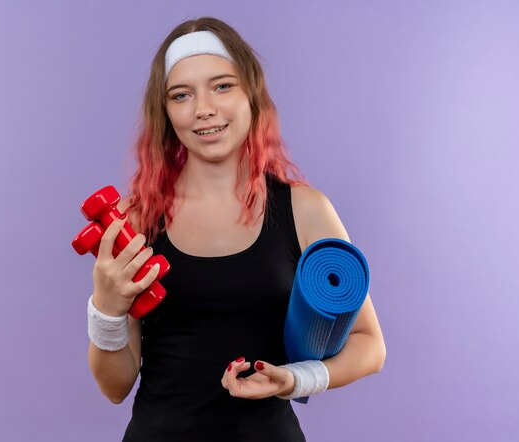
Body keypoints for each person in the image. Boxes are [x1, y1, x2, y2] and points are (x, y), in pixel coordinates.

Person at [86, 17, 386, 441]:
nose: (203, 108)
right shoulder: (135, 222)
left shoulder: (305, 210)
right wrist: (106, 308)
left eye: (222, 86)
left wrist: (296, 379)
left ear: (251, 93)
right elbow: (114, 387)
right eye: (181, 95)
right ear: (166, 111)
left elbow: (369, 344)